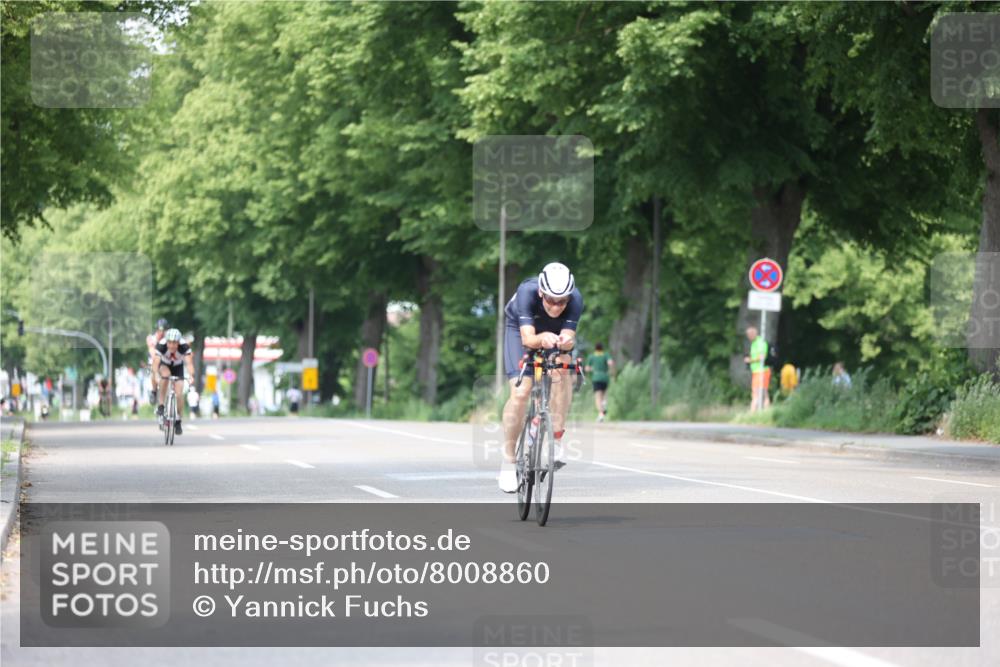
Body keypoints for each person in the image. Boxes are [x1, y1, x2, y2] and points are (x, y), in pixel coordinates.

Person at [499, 262, 583, 493]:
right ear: (541, 293)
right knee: (521, 392)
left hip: (553, 331)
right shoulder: (527, 293)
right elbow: (528, 339)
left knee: (564, 370)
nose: (556, 307)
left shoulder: (575, 299)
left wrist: (566, 341)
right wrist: (543, 336)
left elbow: (569, 336)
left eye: (562, 302)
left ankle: (555, 438)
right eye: (551, 301)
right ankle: (508, 461)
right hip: (520, 329)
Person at [151, 328, 195, 434]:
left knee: (179, 393)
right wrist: (156, 375)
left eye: (174, 343)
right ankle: (161, 405)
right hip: (164, 365)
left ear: (179, 342)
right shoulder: (161, 345)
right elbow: (156, 364)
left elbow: (189, 364)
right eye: (169, 343)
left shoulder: (184, 346)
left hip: (178, 367)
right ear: (166, 341)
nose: (172, 346)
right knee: (165, 375)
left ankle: (178, 420)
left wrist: (191, 375)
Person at [743, 326, 770, 412]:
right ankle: (762, 412)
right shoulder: (754, 343)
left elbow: (762, 357)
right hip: (756, 371)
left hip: (762, 371)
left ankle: (753, 412)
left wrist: (750, 360)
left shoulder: (760, 342)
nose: (748, 337)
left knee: (759, 393)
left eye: (749, 335)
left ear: (753, 334)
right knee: (759, 392)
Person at [585, 342, 614, 421]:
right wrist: (611, 372)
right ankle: (604, 404)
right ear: (602, 348)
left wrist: (592, 369)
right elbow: (610, 363)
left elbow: (587, 368)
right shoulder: (606, 355)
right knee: (604, 394)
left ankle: (601, 414)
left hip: (596, 377)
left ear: (595, 348)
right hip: (605, 377)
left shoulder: (592, 356)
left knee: (598, 397)